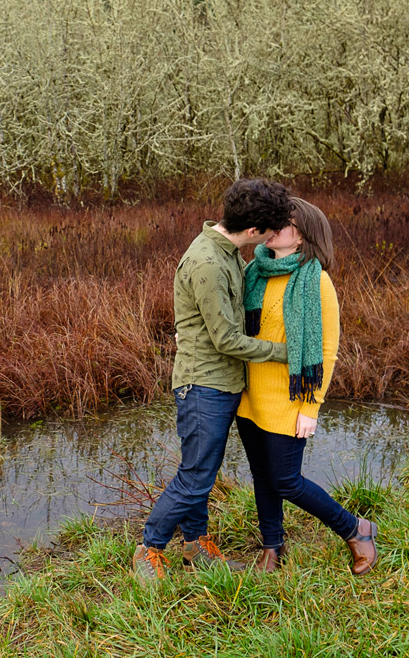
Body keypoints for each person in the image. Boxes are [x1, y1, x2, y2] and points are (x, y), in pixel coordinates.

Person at [132, 179, 294, 584]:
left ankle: (196, 544)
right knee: (195, 476)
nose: (275, 236)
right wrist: (284, 353)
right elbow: (226, 339)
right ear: (254, 230)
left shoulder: (228, 254)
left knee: (202, 471)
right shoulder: (207, 262)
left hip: (222, 384)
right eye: (271, 230)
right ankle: (149, 548)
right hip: (203, 385)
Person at [235, 197, 378, 575]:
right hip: (250, 396)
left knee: (287, 480)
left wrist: (310, 408)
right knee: (262, 476)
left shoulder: (317, 281)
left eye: (283, 222)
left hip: (288, 399)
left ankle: (356, 530)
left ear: (301, 238)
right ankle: (272, 546)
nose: (273, 226)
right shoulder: (254, 272)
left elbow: (327, 352)